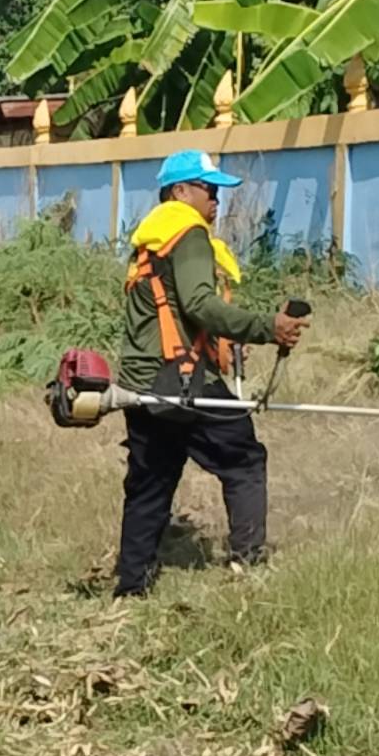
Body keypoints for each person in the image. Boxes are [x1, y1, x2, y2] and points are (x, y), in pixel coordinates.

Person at [111, 149, 308, 598]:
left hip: (140, 381)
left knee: (150, 483)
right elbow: (200, 304)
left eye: (217, 191)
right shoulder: (189, 233)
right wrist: (266, 328)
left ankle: (131, 588)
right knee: (244, 459)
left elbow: (178, 314)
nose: (217, 200)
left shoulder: (152, 241)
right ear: (180, 192)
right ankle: (249, 564)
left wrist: (225, 342)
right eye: (209, 189)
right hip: (181, 380)